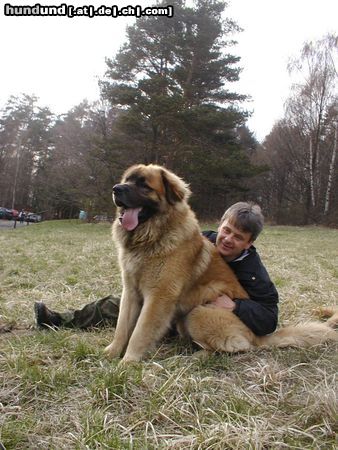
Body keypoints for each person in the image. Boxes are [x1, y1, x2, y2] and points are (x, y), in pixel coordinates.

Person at [34, 202, 278, 336]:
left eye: (238, 237)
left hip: (206, 317)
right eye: (226, 230)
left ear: (249, 243)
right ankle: (60, 320)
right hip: (172, 301)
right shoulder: (199, 240)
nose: (227, 239)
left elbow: (269, 319)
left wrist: (236, 306)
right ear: (220, 225)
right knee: (119, 304)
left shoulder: (254, 272)